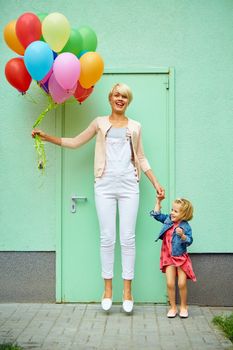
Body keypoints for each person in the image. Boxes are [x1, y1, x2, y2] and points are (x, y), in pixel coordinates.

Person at [32, 82, 165, 313]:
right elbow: (75, 142)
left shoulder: (135, 126)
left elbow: (141, 158)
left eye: (124, 96)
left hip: (128, 185)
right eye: (116, 95)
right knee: (107, 238)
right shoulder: (99, 123)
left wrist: (155, 183)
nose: (120, 99)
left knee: (128, 238)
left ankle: (127, 291)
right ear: (110, 99)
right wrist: (47, 138)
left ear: (128, 100)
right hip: (104, 185)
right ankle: (107, 290)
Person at [150, 196, 196, 318]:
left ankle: (184, 307)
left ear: (184, 214)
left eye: (176, 211)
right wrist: (158, 202)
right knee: (170, 283)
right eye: (172, 209)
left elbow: (190, 241)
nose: (172, 212)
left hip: (180, 257)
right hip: (168, 256)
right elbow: (156, 215)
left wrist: (183, 236)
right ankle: (173, 307)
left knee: (181, 283)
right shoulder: (168, 220)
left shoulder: (185, 226)